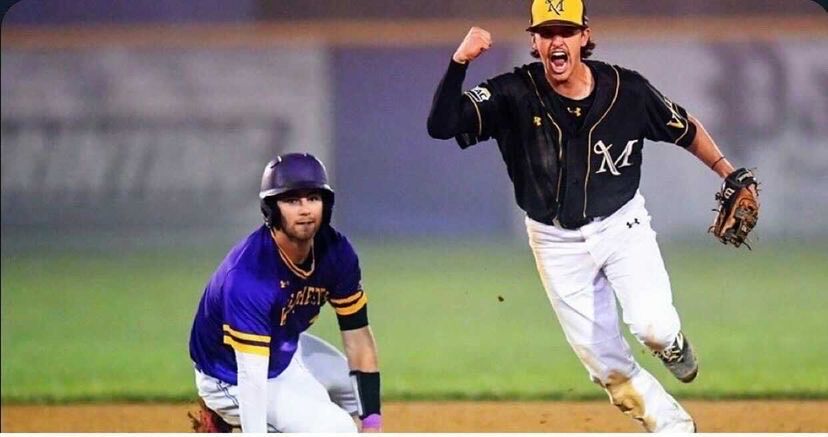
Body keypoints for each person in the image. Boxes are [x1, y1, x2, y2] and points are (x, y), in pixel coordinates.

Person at [427, 0, 753, 432]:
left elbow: (684, 128)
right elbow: (442, 124)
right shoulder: (513, 93)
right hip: (554, 241)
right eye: (546, 33)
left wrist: (730, 172)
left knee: (653, 327)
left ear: (584, 36)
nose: (556, 41)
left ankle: (672, 344)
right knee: (609, 370)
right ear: (535, 42)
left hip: (622, 226)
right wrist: (458, 63)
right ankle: (675, 427)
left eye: (565, 31)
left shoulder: (627, 90)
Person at [188, 153, 382, 433]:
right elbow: (252, 379)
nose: (305, 209)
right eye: (292, 201)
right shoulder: (250, 275)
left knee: (357, 395)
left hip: (284, 349)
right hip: (230, 374)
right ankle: (226, 414)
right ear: (271, 209)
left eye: (313, 198)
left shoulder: (336, 253)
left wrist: (373, 424)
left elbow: (359, 341)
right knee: (337, 430)